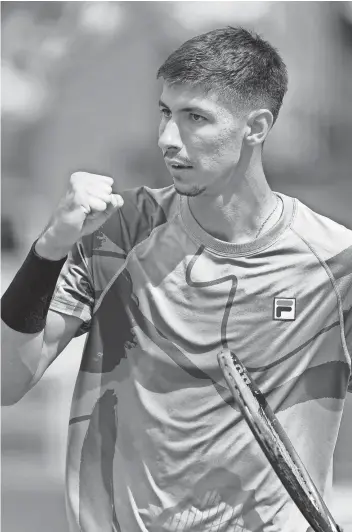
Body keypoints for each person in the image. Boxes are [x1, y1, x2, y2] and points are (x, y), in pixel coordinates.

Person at [1, 26, 351, 532]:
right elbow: (8, 382)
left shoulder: (336, 264)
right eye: (166, 113)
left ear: (256, 127)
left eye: (195, 119)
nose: (168, 139)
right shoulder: (120, 232)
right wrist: (48, 249)